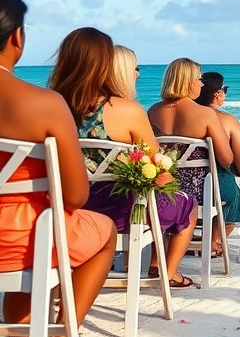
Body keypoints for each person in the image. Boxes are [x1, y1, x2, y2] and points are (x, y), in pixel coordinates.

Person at [0, 0, 116, 337]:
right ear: (17, 36)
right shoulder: (46, 105)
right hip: (21, 238)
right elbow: (77, 195)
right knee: (101, 231)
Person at [50, 37, 198, 288]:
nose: (138, 74)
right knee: (187, 204)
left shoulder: (52, 105)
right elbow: (156, 162)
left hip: (67, 209)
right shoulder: (128, 110)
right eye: (135, 69)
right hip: (119, 212)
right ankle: (168, 273)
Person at [147, 58, 240, 258]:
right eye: (199, 79)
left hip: (162, 187)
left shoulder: (153, 111)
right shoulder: (205, 113)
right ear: (188, 81)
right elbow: (226, 159)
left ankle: (157, 260)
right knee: (232, 194)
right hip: (197, 191)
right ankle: (211, 243)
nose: (201, 83)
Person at [194, 72, 240, 178]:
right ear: (217, 93)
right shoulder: (229, 120)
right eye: (225, 90)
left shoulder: (187, 118)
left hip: (185, 182)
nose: (225, 94)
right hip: (218, 182)